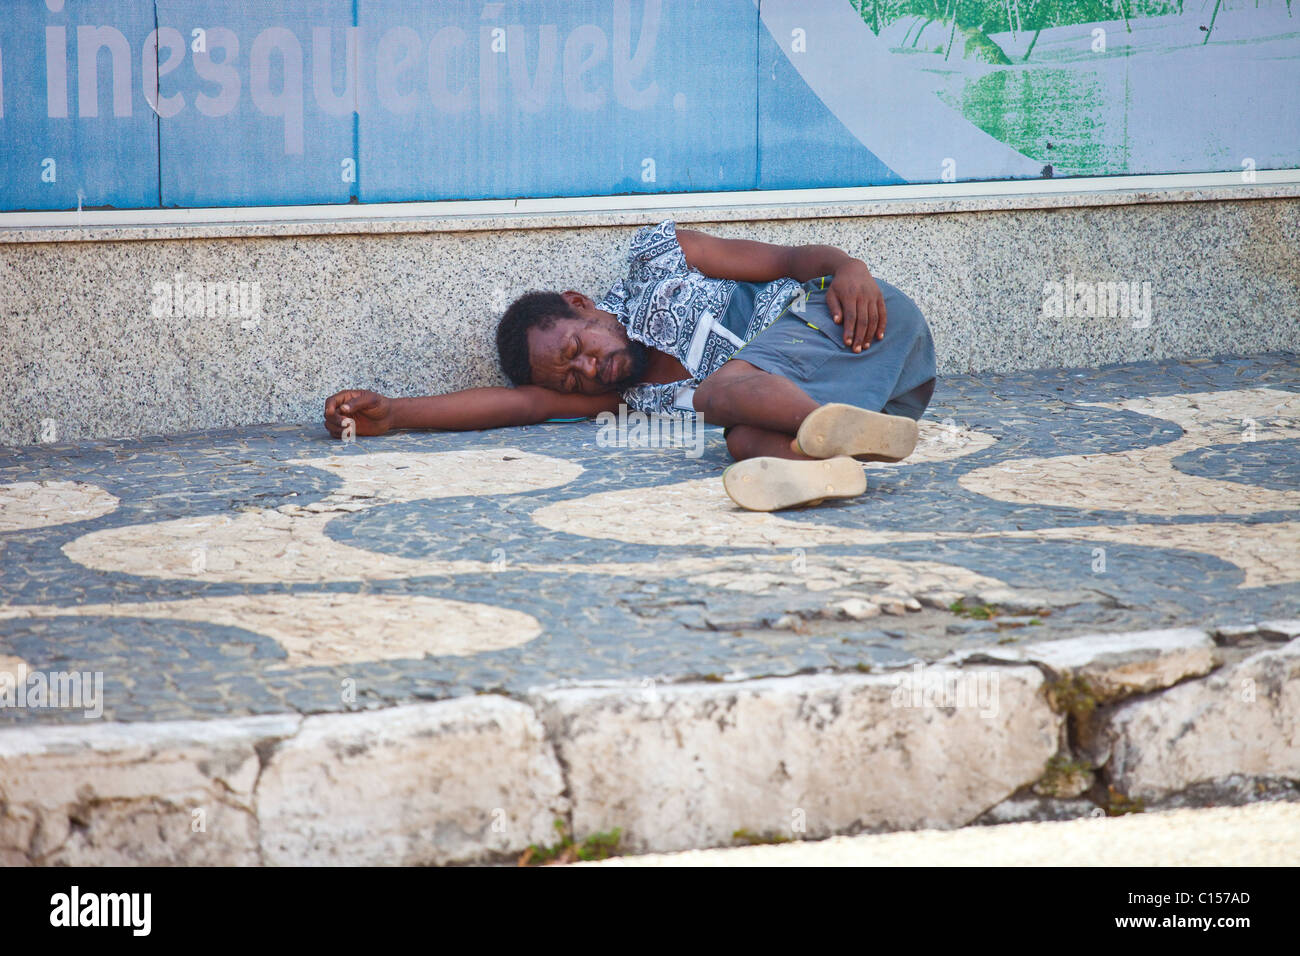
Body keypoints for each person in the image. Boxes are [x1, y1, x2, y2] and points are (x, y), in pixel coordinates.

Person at [323, 220, 936, 511]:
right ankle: (831, 459)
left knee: (720, 395)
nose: (588, 371)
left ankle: (829, 431)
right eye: (572, 379)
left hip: (852, 319)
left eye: (575, 350)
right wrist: (395, 414)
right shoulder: (631, 398)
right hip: (885, 395)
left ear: (580, 305)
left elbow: (788, 257)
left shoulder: (659, 261)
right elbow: (523, 405)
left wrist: (849, 268)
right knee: (744, 439)